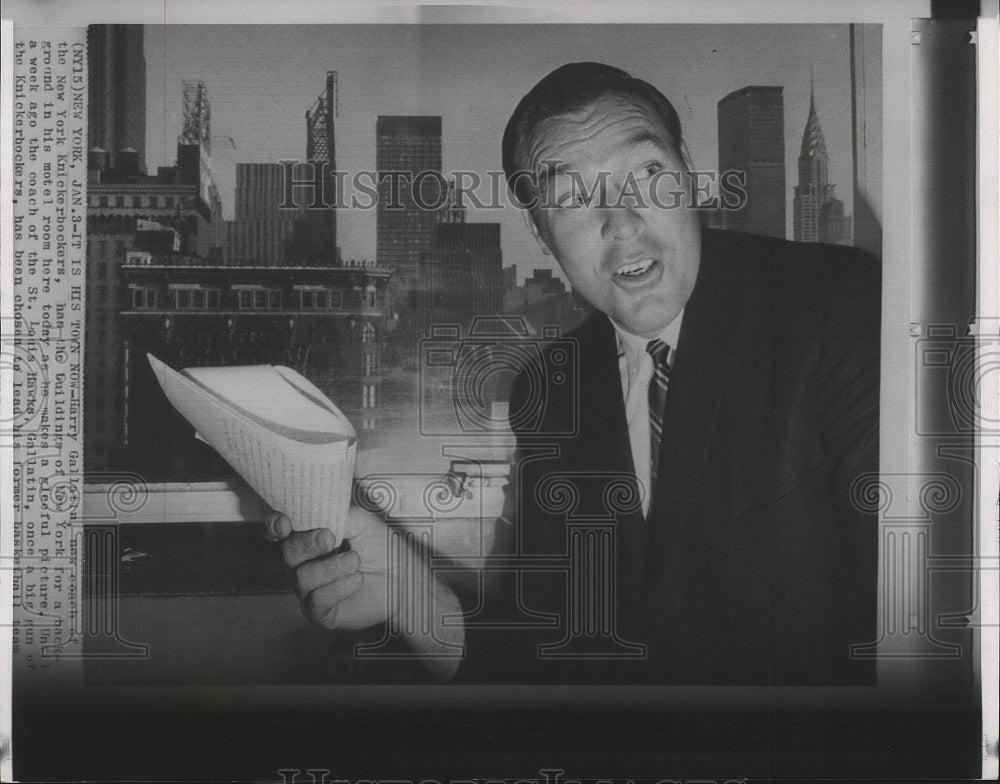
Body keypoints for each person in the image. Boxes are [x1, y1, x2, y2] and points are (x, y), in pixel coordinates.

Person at [266, 62, 881, 685]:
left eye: (646, 175)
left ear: (688, 178)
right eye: (571, 200)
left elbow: (912, 628)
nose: (620, 223)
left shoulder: (832, 307)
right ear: (540, 235)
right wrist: (406, 594)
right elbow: (551, 654)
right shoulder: (551, 387)